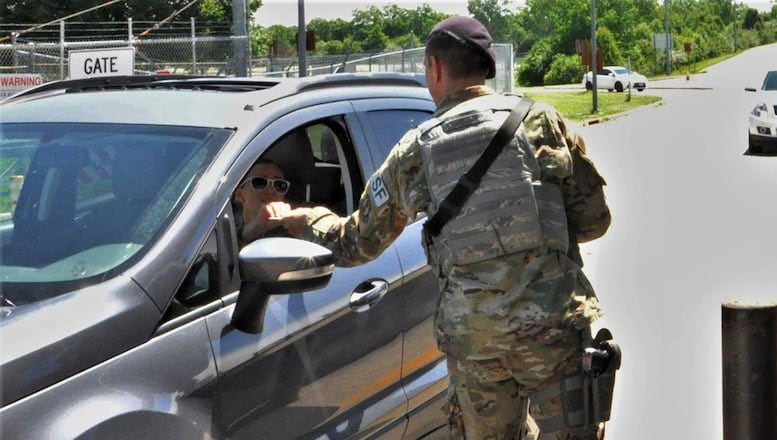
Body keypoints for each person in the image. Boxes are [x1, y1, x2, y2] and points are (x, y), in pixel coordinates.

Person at [266, 16, 612, 439]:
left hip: (476, 342)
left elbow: (354, 244)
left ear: (434, 67)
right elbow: (595, 220)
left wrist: (301, 219)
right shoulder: (540, 122)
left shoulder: (417, 149)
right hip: (553, 333)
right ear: (488, 67)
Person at [233, 158, 293, 246]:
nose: (271, 191)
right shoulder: (219, 226)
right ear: (239, 195)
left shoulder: (291, 229)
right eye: (260, 182)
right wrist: (253, 229)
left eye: (279, 185)